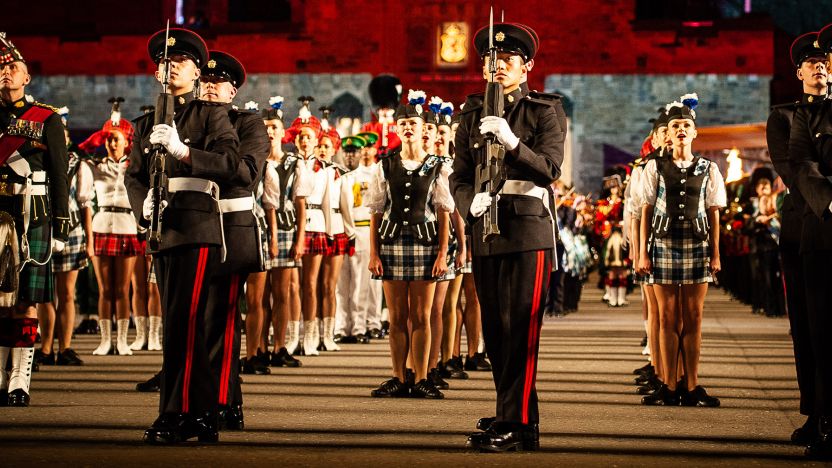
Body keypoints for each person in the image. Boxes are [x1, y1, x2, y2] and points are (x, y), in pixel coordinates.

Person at [450, 21, 565, 452]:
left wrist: (513, 141)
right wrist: (468, 204)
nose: (498, 66)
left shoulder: (544, 111)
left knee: (521, 329)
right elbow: (459, 175)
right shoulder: (470, 113)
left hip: (527, 230)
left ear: (527, 66)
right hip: (487, 228)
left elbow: (550, 170)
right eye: (491, 60)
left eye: (508, 60)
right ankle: (514, 416)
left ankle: (514, 423)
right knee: (496, 333)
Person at [124, 27, 240, 444]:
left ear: (196, 74)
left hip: (195, 226)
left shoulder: (211, 115)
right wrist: (144, 204)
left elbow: (231, 164)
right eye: (164, 62)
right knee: (177, 323)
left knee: (181, 324)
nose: (170, 67)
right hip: (162, 229)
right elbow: (134, 176)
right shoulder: (144, 122)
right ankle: (202, 415)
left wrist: (184, 152)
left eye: (180, 62)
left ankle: (177, 415)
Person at [637, 94, 727, 408]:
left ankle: (691, 385)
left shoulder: (709, 168)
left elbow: (714, 211)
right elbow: (645, 209)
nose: (680, 130)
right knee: (666, 318)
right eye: (675, 125)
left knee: (694, 318)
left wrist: (716, 253)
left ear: (694, 132)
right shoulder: (654, 167)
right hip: (662, 244)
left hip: (697, 244)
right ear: (669, 131)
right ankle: (667, 384)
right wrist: (642, 252)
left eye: (686, 125)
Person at [197, 50, 270, 430]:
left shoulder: (248, 124)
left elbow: (245, 174)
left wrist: (189, 157)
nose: (210, 87)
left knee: (221, 319)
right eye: (205, 81)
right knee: (189, 318)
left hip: (229, 227)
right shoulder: (185, 119)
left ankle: (225, 400)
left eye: (218, 82)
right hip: (188, 226)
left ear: (232, 91)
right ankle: (196, 396)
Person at [0, 33, 71, 407]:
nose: (6, 73)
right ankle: (0, 376)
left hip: (33, 216)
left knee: (27, 301)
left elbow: (60, 175)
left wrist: (62, 224)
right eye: (1, 68)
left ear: (27, 76)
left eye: (13, 67)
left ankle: (19, 380)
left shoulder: (47, 118)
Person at [367, 90, 451, 400]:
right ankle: (398, 377)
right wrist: (374, 252)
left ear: (421, 127)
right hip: (391, 243)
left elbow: (443, 212)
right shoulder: (384, 165)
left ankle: (423, 377)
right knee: (396, 315)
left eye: (412, 123)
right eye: (402, 123)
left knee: (422, 315)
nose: (407, 127)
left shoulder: (437, 166)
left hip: (425, 245)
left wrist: (443, 253)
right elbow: (376, 210)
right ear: (396, 128)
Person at [766, 32, 827, 447]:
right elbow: (793, 170)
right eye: (812, 62)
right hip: (804, 225)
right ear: (799, 71)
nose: (820, 67)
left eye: (826, 62)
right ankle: (816, 410)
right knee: (808, 326)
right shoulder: (786, 116)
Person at [788, 24, 832, 460]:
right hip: (823, 233)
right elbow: (801, 163)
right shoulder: (807, 115)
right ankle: (825, 418)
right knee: (822, 334)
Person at [80, 99, 144, 357]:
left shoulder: (134, 166)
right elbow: (79, 154)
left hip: (128, 227)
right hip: (102, 225)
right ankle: (106, 340)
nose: (111, 143)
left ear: (127, 141)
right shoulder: (95, 166)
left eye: (116, 139)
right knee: (105, 289)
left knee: (123, 289)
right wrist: (98, 138)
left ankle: (122, 340)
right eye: (108, 139)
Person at [36, 110, 90, 367]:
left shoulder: (78, 163)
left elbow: (84, 204)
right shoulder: (36, 158)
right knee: (44, 295)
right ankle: (45, 347)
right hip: (42, 228)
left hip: (72, 230)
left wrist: (90, 241)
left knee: (66, 293)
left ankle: (65, 346)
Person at [260, 96, 308, 364]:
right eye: (266, 127)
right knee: (258, 293)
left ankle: (280, 346)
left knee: (283, 291)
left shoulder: (293, 163)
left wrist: (300, 239)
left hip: (287, 227)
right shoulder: (255, 160)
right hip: (259, 227)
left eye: (274, 127)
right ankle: (259, 346)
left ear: (282, 131)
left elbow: (301, 204)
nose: (270, 132)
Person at [335, 133, 381, 344]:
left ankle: (360, 326)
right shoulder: (344, 176)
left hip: (364, 230)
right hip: (343, 231)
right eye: (350, 152)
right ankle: (342, 326)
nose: (355, 155)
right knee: (342, 285)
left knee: (362, 284)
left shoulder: (376, 173)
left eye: (359, 150)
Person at [315, 108, 355, 352]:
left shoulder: (341, 174)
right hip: (317, 229)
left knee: (330, 286)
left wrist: (350, 235)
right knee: (312, 285)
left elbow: (346, 207)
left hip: (337, 229)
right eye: (320, 145)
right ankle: (311, 331)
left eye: (327, 146)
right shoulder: (309, 169)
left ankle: (328, 333)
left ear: (334, 149)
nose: (322, 149)